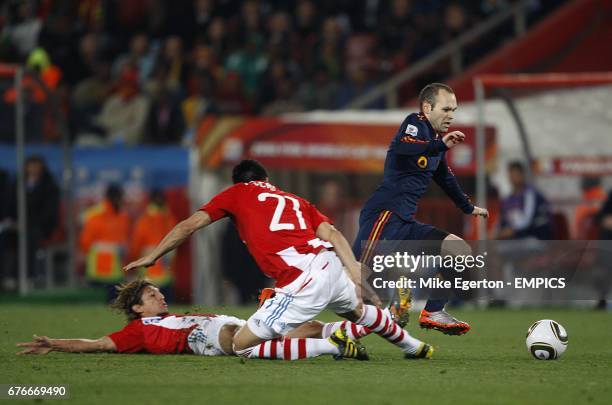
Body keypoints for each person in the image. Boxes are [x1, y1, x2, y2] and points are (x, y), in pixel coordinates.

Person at [125, 160, 433, 360]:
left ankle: (332, 345)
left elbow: (188, 226)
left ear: (239, 182)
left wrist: (153, 255)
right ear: (267, 180)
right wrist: (354, 274)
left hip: (301, 279)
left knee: (242, 346)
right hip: (330, 263)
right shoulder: (297, 201)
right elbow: (335, 234)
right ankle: (414, 347)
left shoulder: (236, 194)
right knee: (358, 312)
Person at [352, 83, 489, 335]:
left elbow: (445, 178)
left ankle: (433, 311)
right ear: (427, 108)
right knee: (354, 281)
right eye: (446, 108)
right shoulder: (414, 123)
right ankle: (312, 321)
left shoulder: (436, 143)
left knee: (459, 249)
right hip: (383, 216)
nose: (451, 115)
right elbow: (406, 146)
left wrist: (467, 207)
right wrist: (441, 146)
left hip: (404, 221)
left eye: (454, 110)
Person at [16, 279, 369, 361]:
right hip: (208, 335)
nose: (161, 296)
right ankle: (336, 343)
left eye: (159, 291)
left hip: (217, 326)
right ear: (137, 309)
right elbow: (97, 345)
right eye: (152, 295)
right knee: (258, 338)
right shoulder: (137, 332)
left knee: (287, 330)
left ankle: (369, 326)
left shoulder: (172, 316)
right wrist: (56, 343)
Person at [80, 184, 130, 302]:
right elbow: (85, 243)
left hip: (115, 272)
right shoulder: (95, 215)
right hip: (98, 272)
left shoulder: (122, 216)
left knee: (113, 306)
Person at [128, 189, 177, 300]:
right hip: (158, 270)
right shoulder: (167, 218)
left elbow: (136, 246)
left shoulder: (146, 220)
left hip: (158, 271)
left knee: (153, 302)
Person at [497, 161, 552, 240]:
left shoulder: (531, 194)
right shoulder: (507, 200)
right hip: (517, 238)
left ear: (522, 175)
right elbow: (503, 220)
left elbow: (526, 220)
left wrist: (512, 230)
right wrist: (496, 232)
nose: (513, 178)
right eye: (511, 175)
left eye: (516, 175)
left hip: (535, 236)